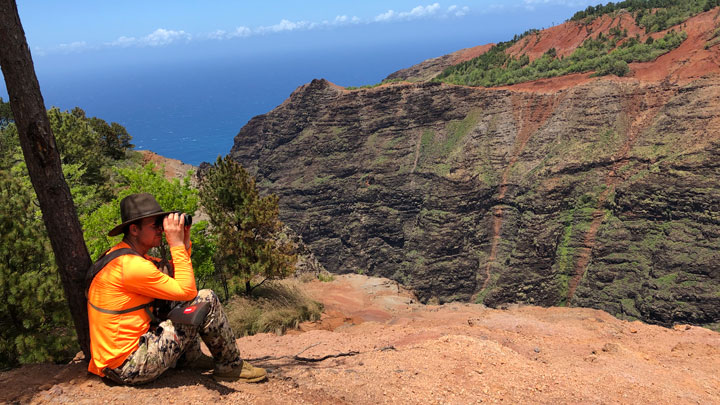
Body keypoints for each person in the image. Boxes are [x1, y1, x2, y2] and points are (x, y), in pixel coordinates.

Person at [86, 192, 266, 385]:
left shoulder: (122, 256)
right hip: (130, 366)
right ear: (134, 229)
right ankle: (231, 367)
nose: (161, 230)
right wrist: (176, 244)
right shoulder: (131, 266)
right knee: (206, 298)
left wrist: (184, 242)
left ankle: (190, 358)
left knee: (174, 298)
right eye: (155, 225)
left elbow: (174, 274)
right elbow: (188, 291)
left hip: (115, 363)